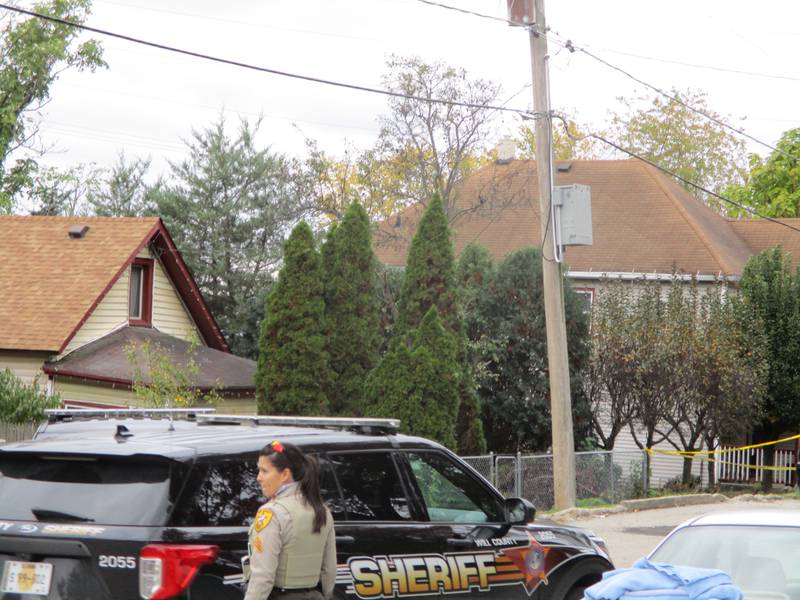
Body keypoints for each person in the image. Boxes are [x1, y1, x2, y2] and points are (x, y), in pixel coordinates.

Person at [244, 440, 336, 600]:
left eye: (264, 471)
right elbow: (329, 570)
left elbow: (262, 576)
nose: (258, 477)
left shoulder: (272, 513)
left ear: (285, 474)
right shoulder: (322, 509)